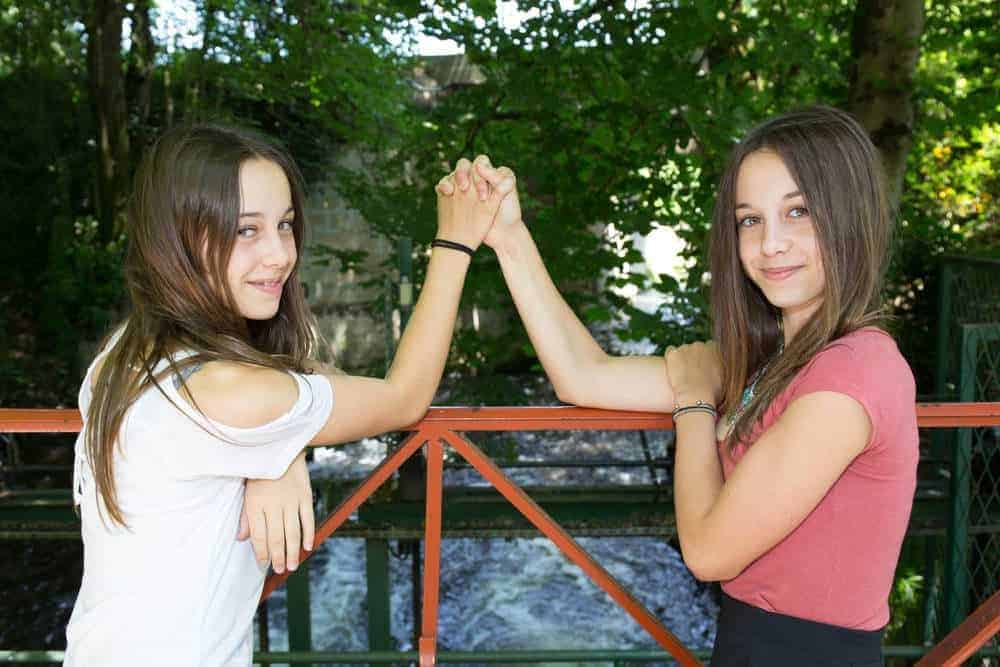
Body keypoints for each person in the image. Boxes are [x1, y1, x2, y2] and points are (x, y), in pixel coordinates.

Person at [444, 105, 918, 666]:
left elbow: (709, 552)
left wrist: (694, 405)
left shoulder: (853, 373)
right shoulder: (769, 363)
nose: (771, 243)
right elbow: (582, 375)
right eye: (750, 220)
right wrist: (509, 235)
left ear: (851, 216)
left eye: (799, 212)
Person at [66, 123, 511, 666]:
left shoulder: (124, 355)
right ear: (177, 237)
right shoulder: (230, 396)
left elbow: (278, 383)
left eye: (285, 225)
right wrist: (455, 242)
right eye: (245, 231)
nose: (279, 255)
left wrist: (277, 452)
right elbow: (404, 397)